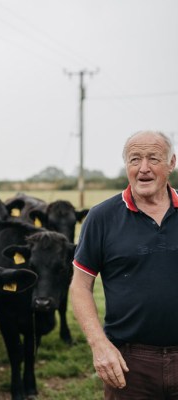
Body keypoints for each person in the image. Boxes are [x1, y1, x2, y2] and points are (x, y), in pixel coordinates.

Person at [71, 130, 178, 399]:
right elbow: (81, 285)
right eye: (134, 160)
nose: (143, 168)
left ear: (172, 163)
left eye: (153, 158)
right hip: (129, 363)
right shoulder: (101, 217)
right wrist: (99, 345)